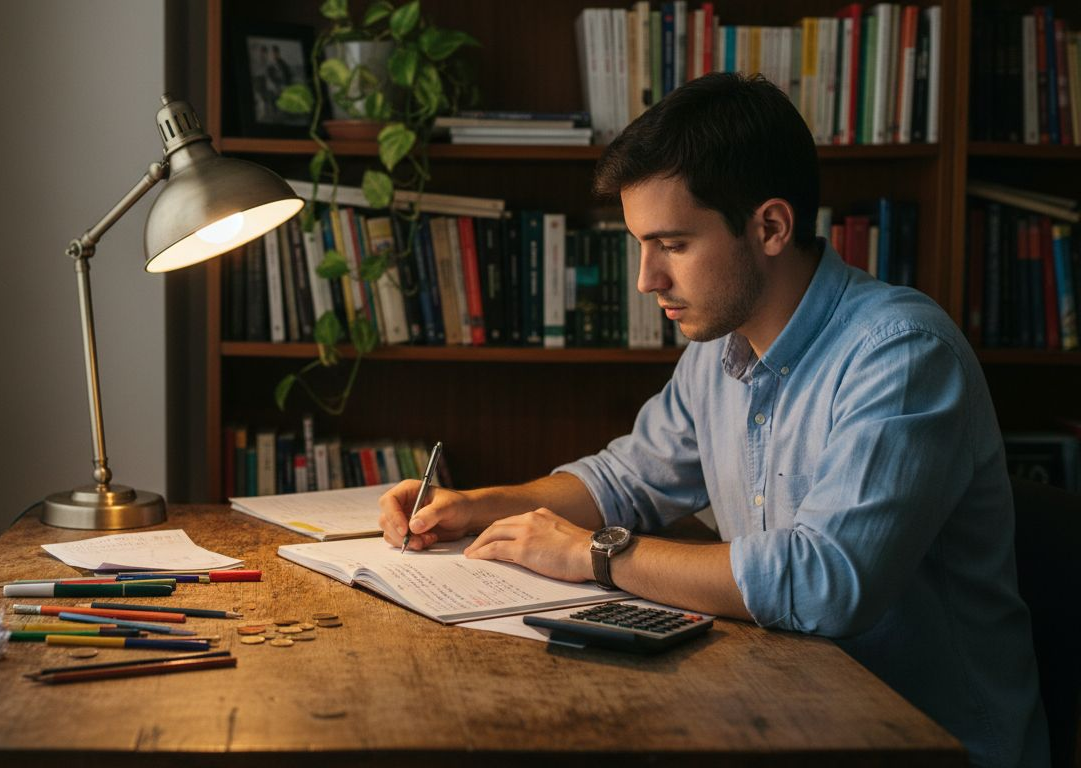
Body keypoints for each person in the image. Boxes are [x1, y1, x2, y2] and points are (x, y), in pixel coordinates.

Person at [378, 72, 1048, 768]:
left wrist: (592, 554)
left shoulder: (902, 354)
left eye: (672, 244)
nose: (646, 280)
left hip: (927, 746)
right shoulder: (720, 346)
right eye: (641, 244)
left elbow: (826, 583)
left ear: (770, 227)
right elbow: (626, 481)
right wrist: (475, 507)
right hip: (784, 714)